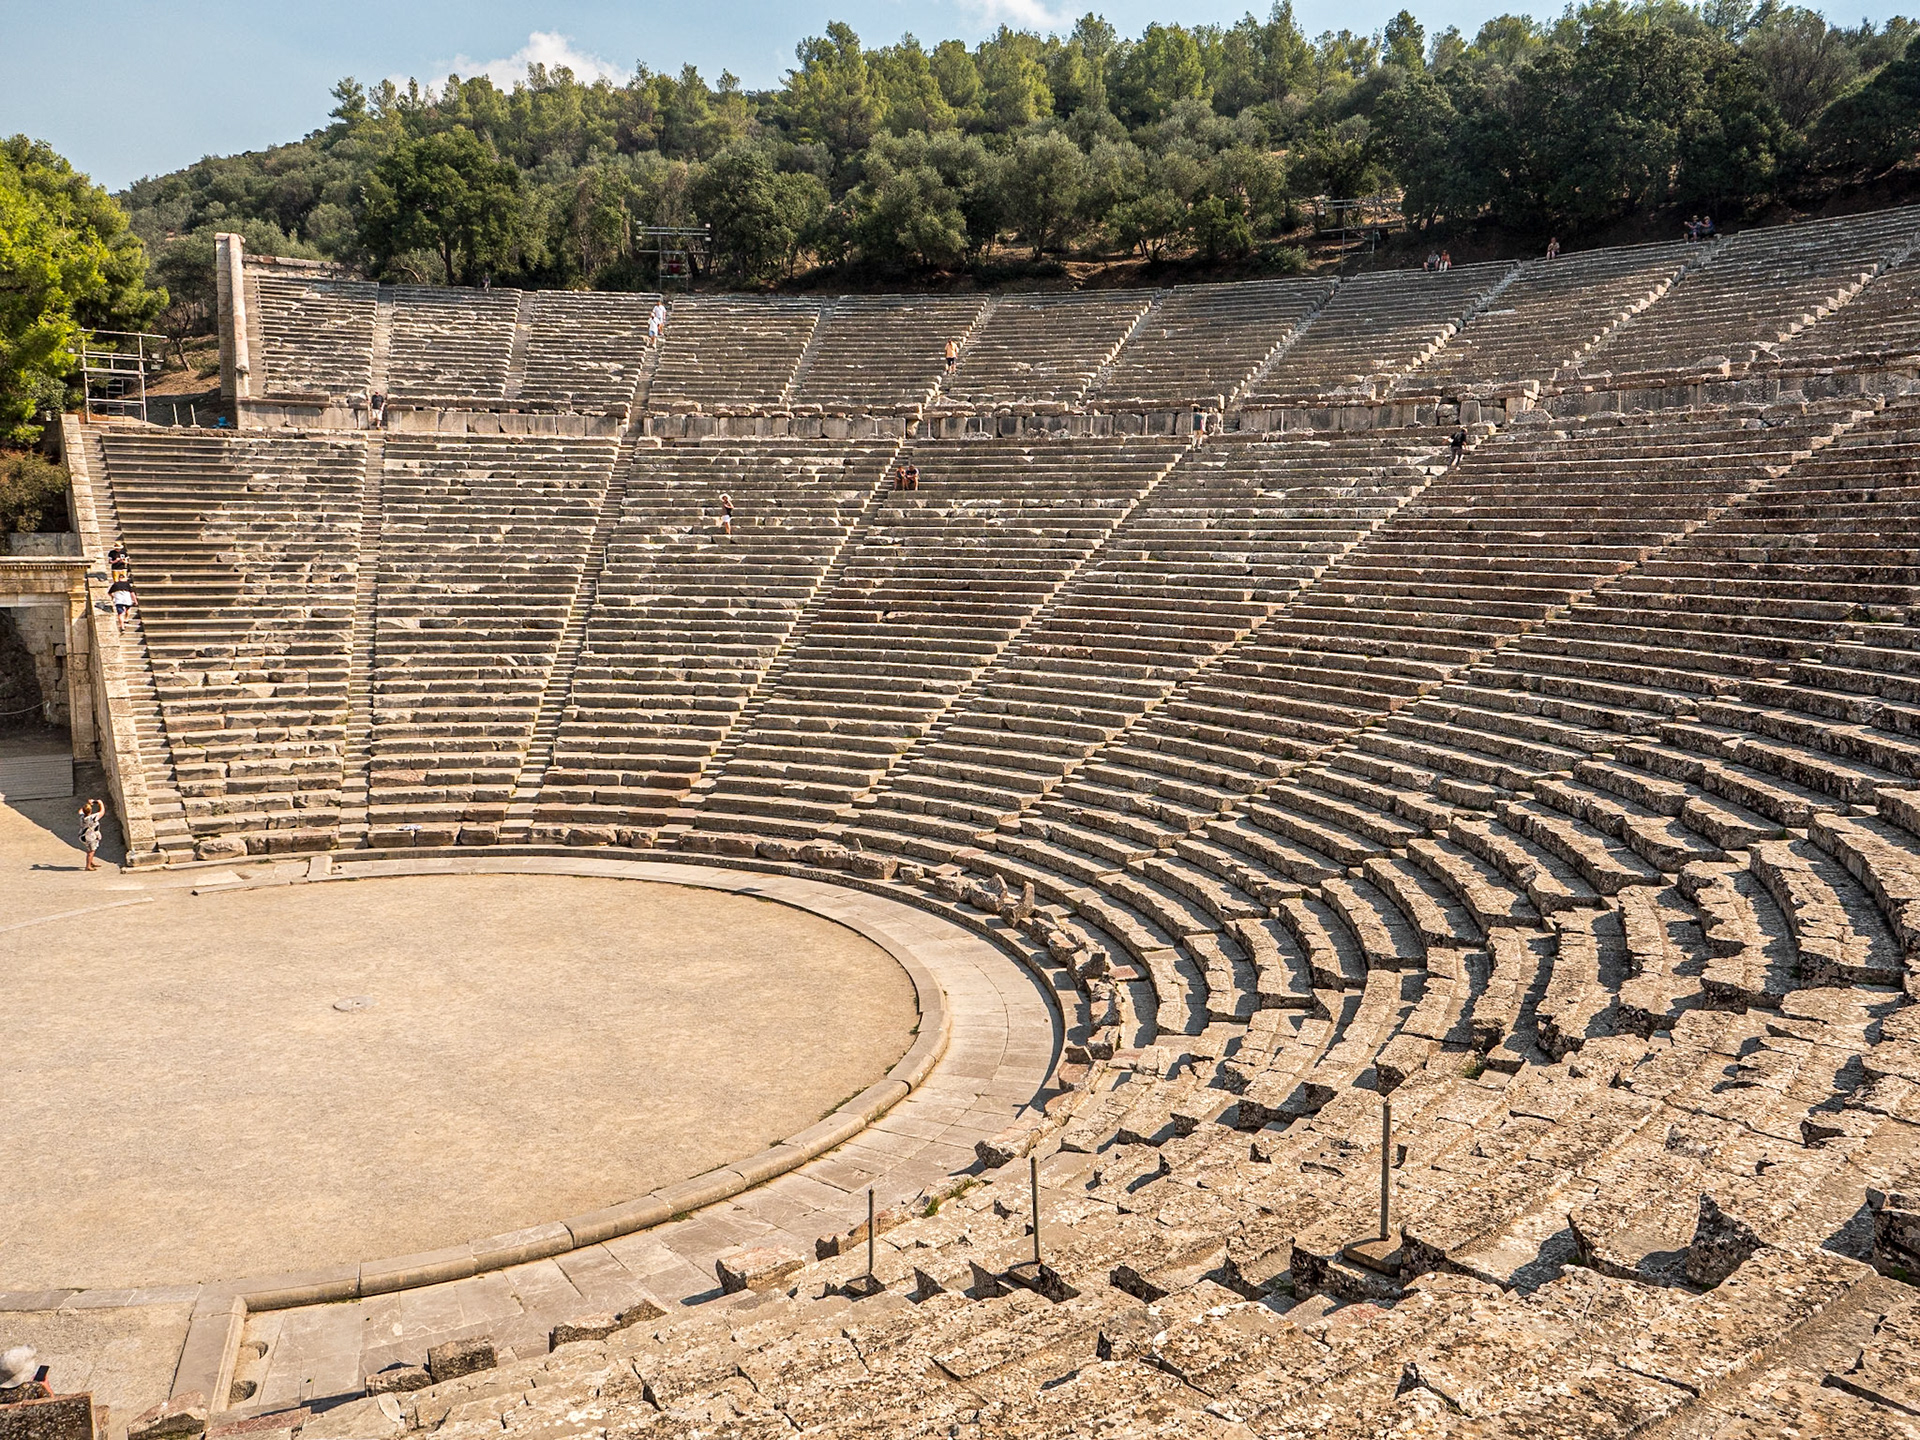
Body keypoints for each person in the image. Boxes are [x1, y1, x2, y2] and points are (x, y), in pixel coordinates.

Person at [78, 799, 105, 872]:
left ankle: (91, 862)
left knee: (90, 849)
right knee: (91, 851)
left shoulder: (82, 816)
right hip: (90, 837)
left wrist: (88, 803)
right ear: (90, 811)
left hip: (83, 836)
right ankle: (88, 866)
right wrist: (100, 803)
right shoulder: (93, 817)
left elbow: (80, 811)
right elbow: (102, 811)